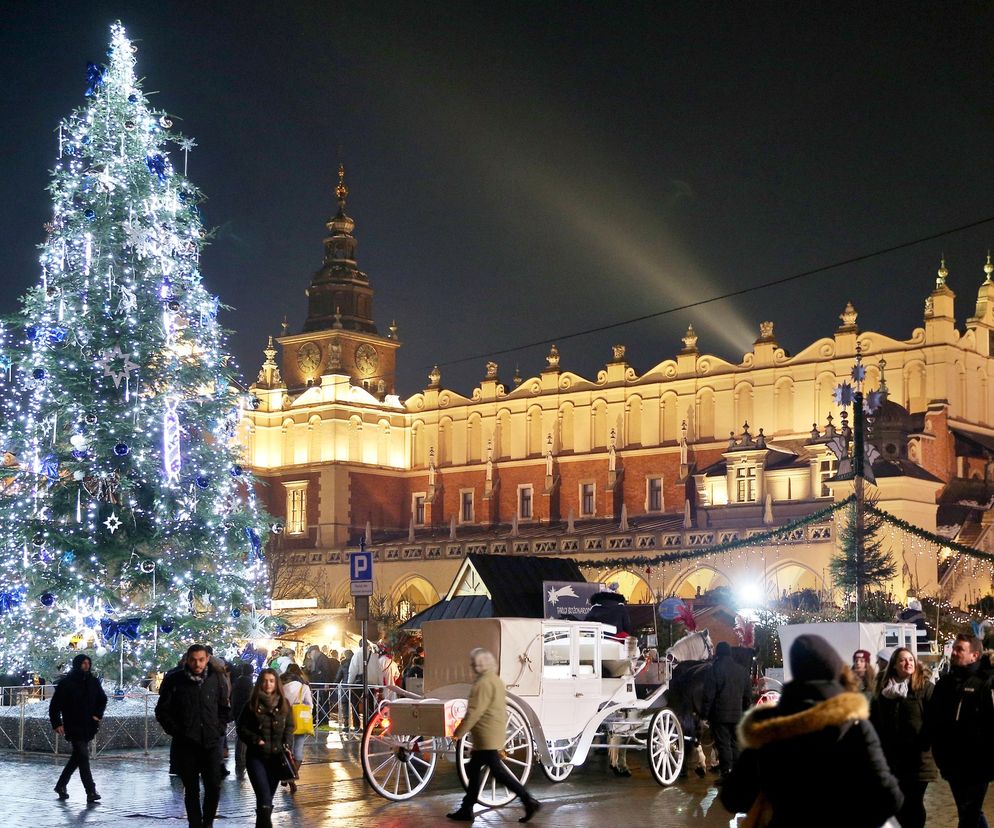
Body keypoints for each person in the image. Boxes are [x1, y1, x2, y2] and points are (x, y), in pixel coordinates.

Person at [720, 634, 902, 828]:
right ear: (833, 670)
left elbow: (733, 798)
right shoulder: (855, 727)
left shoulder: (768, 729)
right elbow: (890, 798)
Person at [447, 648, 541, 823]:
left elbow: (474, 712)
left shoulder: (482, 684)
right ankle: (467, 807)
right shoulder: (495, 680)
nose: (471, 666)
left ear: (478, 664)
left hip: (484, 735)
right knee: (475, 771)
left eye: (473, 663)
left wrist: (459, 732)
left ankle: (528, 800)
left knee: (495, 773)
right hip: (493, 732)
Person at [155, 644, 230, 828]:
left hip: (211, 742)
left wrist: (219, 728)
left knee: (213, 786)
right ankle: (195, 824)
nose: (198, 664)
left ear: (207, 659)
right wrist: (177, 731)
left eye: (201, 660)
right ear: (188, 659)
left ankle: (208, 824)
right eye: (194, 660)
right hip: (187, 743)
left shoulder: (216, 678)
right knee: (191, 789)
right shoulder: (175, 680)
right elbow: (162, 710)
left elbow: (225, 707)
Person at [927, 633, 994, 828]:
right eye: (954, 649)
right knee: (967, 811)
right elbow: (934, 722)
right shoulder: (944, 684)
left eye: (960, 649)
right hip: (952, 764)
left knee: (968, 814)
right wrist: (940, 756)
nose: (954, 653)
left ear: (974, 656)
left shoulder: (985, 684)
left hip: (978, 765)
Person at [870, 647, 937, 828]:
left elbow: (934, 720)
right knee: (897, 804)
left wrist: (924, 741)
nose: (908, 663)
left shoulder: (924, 688)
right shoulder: (883, 691)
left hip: (918, 759)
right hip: (892, 759)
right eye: (902, 660)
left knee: (913, 803)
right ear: (893, 665)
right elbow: (874, 723)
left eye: (910, 659)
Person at [237, 668, 294, 828]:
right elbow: (241, 728)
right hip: (257, 758)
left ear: (276, 683)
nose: (268, 684)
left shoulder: (284, 704)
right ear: (259, 683)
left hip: (277, 758)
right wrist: (256, 740)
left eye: (271, 680)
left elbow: (290, 726)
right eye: (264, 680)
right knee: (263, 797)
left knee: (267, 800)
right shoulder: (252, 704)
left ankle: (260, 824)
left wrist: (287, 742)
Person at [49, 653, 107, 803]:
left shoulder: (93, 681)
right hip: (73, 724)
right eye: (84, 663)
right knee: (83, 756)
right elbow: (55, 705)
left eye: (88, 663)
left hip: (89, 724)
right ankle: (91, 791)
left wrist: (97, 715)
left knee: (78, 757)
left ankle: (61, 785)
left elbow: (102, 699)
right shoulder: (67, 683)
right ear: (77, 664)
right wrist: (57, 723)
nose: (86, 666)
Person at [701, 640, 753, 782]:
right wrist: (745, 712)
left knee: (723, 744)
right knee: (735, 744)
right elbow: (748, 696)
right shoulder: (742, 671)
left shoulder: (714, 669)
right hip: (738, 715)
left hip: (719, 715)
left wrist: (704, 714)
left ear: (718, 653)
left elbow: (708, 695)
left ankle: (727, 773)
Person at [280, 662, 312, 793]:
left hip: (282, 721)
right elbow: (310, 706)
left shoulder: (280, 684)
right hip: (299, 721)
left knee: (285, 750)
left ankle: (286, 776)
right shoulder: (303, 687)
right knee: (297, 752)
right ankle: (290, 777)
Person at [230, 662, 255, 780]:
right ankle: (240, 761)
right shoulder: (247, 682)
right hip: (243, 712)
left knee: (241, 736)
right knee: (242, 737)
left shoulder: (238, 681)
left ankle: (240, 761)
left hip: (237, 711)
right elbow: (250, 698)